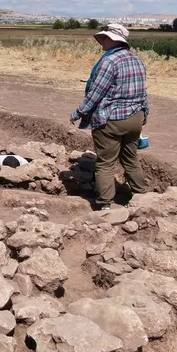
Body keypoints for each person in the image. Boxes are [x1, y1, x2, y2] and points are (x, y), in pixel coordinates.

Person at [70, 23, 149, 211]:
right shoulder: (136, 60)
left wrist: (78, 112)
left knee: (105, 163)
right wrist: (144, 114)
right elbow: (143, 92)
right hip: (135, 117)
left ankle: (106, 204)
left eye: (104, 38)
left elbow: (97, 92)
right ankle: (142, 196)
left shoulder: (109, 62)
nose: (101, 42)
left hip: (111, 119)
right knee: (130, 159)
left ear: (113, 40)